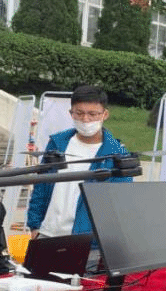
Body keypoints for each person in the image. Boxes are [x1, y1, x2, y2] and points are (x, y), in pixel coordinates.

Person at [26, 85, 131, 238]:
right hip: (47, 232)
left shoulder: (117, 154)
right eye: (79, 113)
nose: (85, 119)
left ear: (105, 114)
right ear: (71, 113)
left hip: (87, 239)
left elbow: (120, 203)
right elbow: (41, 185)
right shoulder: (57, 143)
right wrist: (34, 225)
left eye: (92, 114)